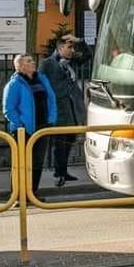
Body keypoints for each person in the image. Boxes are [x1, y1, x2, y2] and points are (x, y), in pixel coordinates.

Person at [3, 54, 57, 196]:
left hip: (42, 127)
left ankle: (32, 192)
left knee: (37, 162)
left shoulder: (42, 79)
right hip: (24, 130)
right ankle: (18, 195)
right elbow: (8, 108)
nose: (33, 62)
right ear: (20, 66)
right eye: (29, 61)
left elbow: (51, 100)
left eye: (32, 60)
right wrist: (21, 125)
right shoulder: (15, 84)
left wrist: (51, 119)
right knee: (21, 164)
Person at [39, 35, 86, 187]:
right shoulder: (48, 64)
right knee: (60, 143)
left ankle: (64, 171)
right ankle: (58, 173)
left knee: (70, 141)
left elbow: (87, 56)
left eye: (73, 48)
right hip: (59, 109)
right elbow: (40, 84)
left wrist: (79, 40)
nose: (72, 50)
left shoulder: (70, 62)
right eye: (69, 47)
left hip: (72, 109)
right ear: (60, 48)